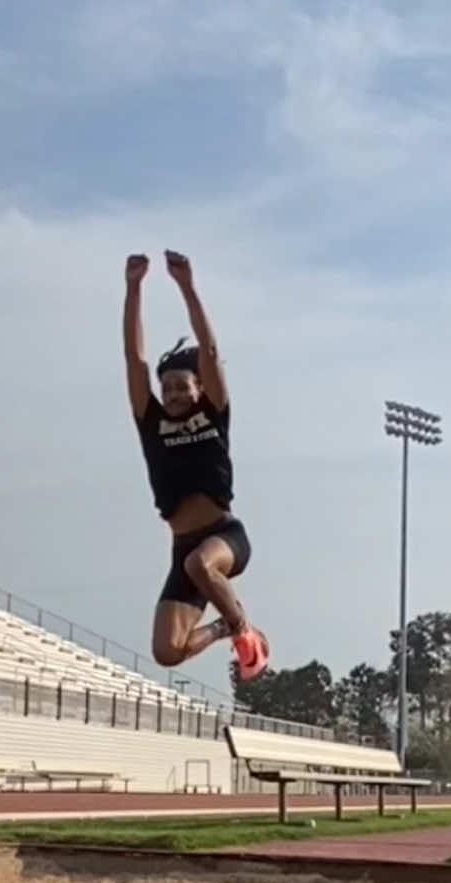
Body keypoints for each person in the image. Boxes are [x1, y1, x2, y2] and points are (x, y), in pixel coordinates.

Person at [123, 249, 269, 681]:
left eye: (181, 386)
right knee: (167, 651)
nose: (172, 394)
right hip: (183, 547)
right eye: (166, 388)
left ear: (199, 387)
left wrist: (187, 286)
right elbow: (134, 359)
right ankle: (226, 625)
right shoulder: (151, 422)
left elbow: (208, 347)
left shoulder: (214, 411)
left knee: (200, 566)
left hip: (224, 537)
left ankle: (246, 635)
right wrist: (133, 289)